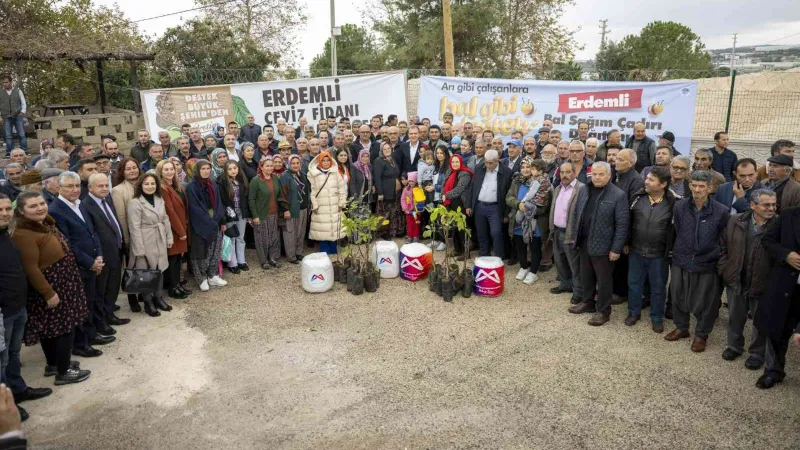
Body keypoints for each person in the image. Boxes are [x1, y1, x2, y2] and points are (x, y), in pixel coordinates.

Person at [11, 192, 92, 385]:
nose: (40, 208)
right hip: (51, 284)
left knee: (52, 328)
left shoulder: (43, 223)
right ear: (21, 211)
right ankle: (63, 372)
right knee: (63, 327)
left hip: (63, 281)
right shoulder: (23, 234)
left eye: (41, 203)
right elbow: (30, 267)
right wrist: (48, 292)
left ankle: (55, 364)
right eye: (33, 206)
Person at [48, 171, 112, 357]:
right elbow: (67, 243)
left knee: (89, 303)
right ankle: (80, 344)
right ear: (59, 188)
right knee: (79, 308)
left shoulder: (80, 204)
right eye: (69, 186)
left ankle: (91, 335)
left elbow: (92, 233)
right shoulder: (55, 211)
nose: (75, 189)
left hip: (93, 263)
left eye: (77, 186)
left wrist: (99, 256)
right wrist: (90, 262)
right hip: (77, 267)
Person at [0, 195, 52, 421]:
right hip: (3, 311)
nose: (4, 213)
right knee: (1, 360)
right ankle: (6, 407)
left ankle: (18, 390)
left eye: (6, 209)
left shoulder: (6, 235)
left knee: (13, 354)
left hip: (17, 306)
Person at [665, 171, 729, 352]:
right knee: (678, 295)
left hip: (707, 262)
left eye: (702, 186)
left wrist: (715, 256)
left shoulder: (721, 211)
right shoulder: (679, 207)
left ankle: (701, 334)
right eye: (694, 185)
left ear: (710, 188)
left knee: (706, 302)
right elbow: (677, 229)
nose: (697, 189)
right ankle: (681, 327)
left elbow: (723, 239)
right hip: (681, 259)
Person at [718, 189, 776, 370]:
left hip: (763, 283)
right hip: (736, 278)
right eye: (767, 205)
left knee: (759, 321)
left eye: (774, 204)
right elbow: (723, 246)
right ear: (752, 205)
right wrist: (724, 268)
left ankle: (756, 354)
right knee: (735, 315)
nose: (771, 208)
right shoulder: (736, 220)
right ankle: (734, 346)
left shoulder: (779, 225)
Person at [566, 162, 629, 326]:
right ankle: (587, 302)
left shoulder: (618, 195)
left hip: (604, 246)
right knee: (586, 276)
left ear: (609, 176)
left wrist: (616, 248)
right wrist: (574, 236)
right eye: (594, 174)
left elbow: (622, 225)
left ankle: (603, 311)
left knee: (604, 281)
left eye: (601, 174)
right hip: (584, 242)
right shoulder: (584, 190)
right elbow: (577, 214)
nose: (597, 177)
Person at [753, 205, 800, 389]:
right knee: (777, 329)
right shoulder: (789, 215)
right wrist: (786, 255)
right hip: (786, 285)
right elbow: (768, 240)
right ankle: (773, 371)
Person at [625, 166, 677, 332]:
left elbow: (676, 230)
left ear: (663, 184)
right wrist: (626, 243)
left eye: (651, 179)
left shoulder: (673, 203)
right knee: (634, 284)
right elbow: (627, 222)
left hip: (659, 254)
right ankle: (633, 312)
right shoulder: (637, 198)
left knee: (658, 287)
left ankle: (656, 317)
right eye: (646, 178)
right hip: (636, 251)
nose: (646, 181)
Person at [82, 173, 129, 336]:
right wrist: (98, 254)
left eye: (105, 185)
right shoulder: (86, 205)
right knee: (100, 291)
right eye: (99, 186)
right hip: (101, 254)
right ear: (90, 188)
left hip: (115, 250)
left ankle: (109, 314)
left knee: (112, 287)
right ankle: (100, 322)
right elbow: (91, 232)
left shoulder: (107, 199)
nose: (104, 188)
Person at [127, 173, 173, 316]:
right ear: (140, 186)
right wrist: (139, 249)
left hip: (159, 237)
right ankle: (148, 302)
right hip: (145, 239)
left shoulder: (159, 199)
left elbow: (165, 219)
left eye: (152, 183)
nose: (150, 186)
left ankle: (159, 298)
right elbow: (134, 228)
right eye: (146, 184)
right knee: (146, 272)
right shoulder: (135, 203)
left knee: (160, 269)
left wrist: (169, 237)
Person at [506, 157, 551, 285]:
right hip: (519, 221)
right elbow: (508, 197)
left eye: (529, 167)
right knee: (520, 246)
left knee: (535, 247)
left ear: (535, 169)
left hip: (534, 222)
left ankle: (533, 272)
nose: (525, 170)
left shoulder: (542, 183)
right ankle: (524, 267)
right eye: (523, 167)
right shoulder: (516, 181)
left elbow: (546, 205)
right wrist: (518, 204)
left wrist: (531, 211)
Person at [186, 160, 228, 291]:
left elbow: (219, 203)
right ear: (197, 170)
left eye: (207, 168)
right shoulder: (192, 186)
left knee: (215, 251)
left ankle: (212, 275)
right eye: (202, 168)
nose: (205, 171)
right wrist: (209, 222)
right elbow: (194, 208)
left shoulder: (212, 184)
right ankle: (201, 278)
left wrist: (221, 221)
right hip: (200, 225)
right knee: (201, 253)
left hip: (215, 222)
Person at [467, 149, 512, 260]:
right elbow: (472, 187)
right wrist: (469, 205)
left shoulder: (506, 172)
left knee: (496, 232)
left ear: (497, 160)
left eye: (490, 163)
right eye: (486, 162)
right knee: (481, 233)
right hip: (479, 206)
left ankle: (498, 257)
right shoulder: (480, 168)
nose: (487, 165)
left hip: (495, 207)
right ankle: (484, 255)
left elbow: (508, 194)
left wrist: (506, 214)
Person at [156, 160, 191, 300]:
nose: (170, 172)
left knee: (177, 259)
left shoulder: (177, 186)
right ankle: (172, 288)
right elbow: (170, 212)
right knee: (172, 260)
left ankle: (177, 285)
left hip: (182, 226)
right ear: (160, 172)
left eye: (171, 169)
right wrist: (181, 231)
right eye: (166, 169)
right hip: (174, 230)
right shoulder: (163, 188)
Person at [111, 158, 142, 311]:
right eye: (128, 168)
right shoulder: (118, 190)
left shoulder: (145, 184)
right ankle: (132, 298)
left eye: (134, 167)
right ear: (122, 171)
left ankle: (144, 292)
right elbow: (121, 217)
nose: (132, 171)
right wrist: (126, 240)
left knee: (145, 266)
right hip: (131, 235)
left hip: (148, 234)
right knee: (131, 267)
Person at [307, 152, 346, 254]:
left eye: (327, 160)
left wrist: (341, 203)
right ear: (319, 161)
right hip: (321, 206)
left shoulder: (336, 173)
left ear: (331, 161)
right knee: (322, 229)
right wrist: (314, 204)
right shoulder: (313, 174)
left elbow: (342, 189)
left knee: (333, 228)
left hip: (334, 204)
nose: (325, 162)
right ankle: (324, 250)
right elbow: (312, 191)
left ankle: (333, 250)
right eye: (323, 160)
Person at [249, 157, 283, 268]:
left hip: (274, 214)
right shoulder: (256, 180)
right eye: (267, 166)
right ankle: (264, 261)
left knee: (274, 237)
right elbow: (251, 199)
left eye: (271, 165)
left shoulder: (275, 178)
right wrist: (255, 215)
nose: (269, 168)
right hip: (261, 215)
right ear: (261, 167)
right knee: (262, 238)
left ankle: (272, 258)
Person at [217, 161, 251, 274]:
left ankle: (241, 261)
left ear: (238, 168)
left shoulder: (242, 180)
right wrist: (227, 214)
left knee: (240, 237)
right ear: (226, 171)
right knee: (231, 237)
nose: (233, 170)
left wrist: (248, 214)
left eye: (235, 168)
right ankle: (233, 263)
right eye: (230, 169)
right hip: (230, 214)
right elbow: (222, 200)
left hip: (241, 212)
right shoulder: (222, 182)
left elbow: (245, 198)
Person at [441, 154, 473, 259]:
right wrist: (443, 194)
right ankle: (457, 250)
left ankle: (466, 252)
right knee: (454, 228)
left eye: (457, 162)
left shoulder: (465, 173)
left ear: (461, 162)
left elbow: (459, 189)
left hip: (461, 204)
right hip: (450, 203)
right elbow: (443, 184)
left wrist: (446, 195)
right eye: (453, 162)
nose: (455, 164)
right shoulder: (449, 171)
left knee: (462, 229)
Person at [279, 155, 310, 264]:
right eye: (293, 163)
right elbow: (282, 193)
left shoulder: (302, 175)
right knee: (290, 232)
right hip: (291, 208)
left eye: (298, 163)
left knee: (301, 232)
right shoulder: (285, 176)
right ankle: (291, 256)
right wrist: (285, 209)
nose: (296, 165)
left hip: (303, 208)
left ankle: (299, 252)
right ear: (288, 164)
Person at [373, 143, 403, 239]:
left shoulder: (392, 159)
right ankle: (383, 233)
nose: (387, 150)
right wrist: (380, 193)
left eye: (388, 148)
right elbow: (377, 178)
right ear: (381, 150)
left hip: (396, 192)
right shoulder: (378, 161)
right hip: (386, 192)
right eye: (384, 149)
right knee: (385, 213)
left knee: (394, 212)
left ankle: (394, 231)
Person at [0, 75, 27, 154]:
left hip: (18, 115)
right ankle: (9, 152)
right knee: (8, 136)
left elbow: (23, 102)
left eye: (6, 82)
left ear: (11, 82)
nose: (5, 84)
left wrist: (23, 111)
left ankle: (24, 151)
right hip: (6, 117)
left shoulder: (18, 91)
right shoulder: (0, 92)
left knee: (21, 134)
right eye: (3, 82)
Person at [400, 172, 426, 243]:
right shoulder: (406, 189)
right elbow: (402, 199)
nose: (411, 183)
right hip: (409, 211)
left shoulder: (419, 189)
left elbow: (422, 199)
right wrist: (405, 208)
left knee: (416, 223)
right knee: (409, 224)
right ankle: (410, 237)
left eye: (413, 181)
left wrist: (420, 209)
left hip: (417, 211)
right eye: (410, 181)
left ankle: (416, 237)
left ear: (416, 181)